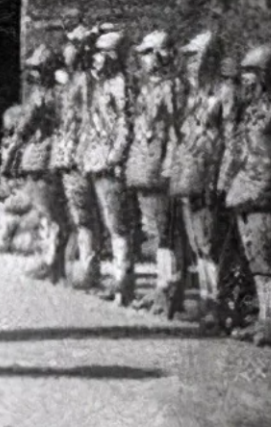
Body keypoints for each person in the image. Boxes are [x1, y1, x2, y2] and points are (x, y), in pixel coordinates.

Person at [217, 44, 271, 346]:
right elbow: (237, 149)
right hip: (244, 190)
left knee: (268, 259)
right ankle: (263, 317)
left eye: (251, 72)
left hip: (265, 191)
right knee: (255, 259)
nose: (246, 78)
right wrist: (225, 182)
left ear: (265, 74)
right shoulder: (249, 109)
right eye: (244, 73)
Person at [165, 30, 231, 331]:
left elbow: (230, 137)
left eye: (196, 56)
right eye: (189, 57)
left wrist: (221, 177)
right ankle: (206, 300)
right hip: (188, 174)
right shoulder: (193, 93)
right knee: (197, 243)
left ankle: (217, 304)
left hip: (209, 174)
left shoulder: (224, 91)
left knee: (209, 242)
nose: (191, 62)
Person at [127, 30, 186, 318]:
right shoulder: (147, 88)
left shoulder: (173, 87)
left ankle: (170, 289)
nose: (145, 60)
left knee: (166, 231)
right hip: (144, 164)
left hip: (161, 165)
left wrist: (170, 165)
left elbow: (176, 130)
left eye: (149, 53)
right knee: (155, 230)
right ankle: (161, 286)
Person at [78, 29, 135, 305]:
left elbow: (125, 125)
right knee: (105, 222)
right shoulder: (100, 83)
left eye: (101, 53)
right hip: (95, 160)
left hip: (110, 163)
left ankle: (123, 283)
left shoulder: (121, 84)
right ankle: (112, 278)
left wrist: (115, 157)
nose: (96, 58)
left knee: (117, 225)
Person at [5, 45, 69, 283]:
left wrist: (14, 145)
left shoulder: (42, 96)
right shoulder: (63, 93)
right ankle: (55, 261)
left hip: (43, 153)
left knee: (48, 212)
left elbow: (26, 125)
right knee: (55, 213)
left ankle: (51, 261)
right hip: (59, 152)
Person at [50, 25, 104, 290]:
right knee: (76, 213)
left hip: (79, 152)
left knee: (84, 214)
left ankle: (88, 268)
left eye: (74, 46)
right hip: (69, 152)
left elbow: (88, 117)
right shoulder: (71, 81)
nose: (67, 51)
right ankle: (77, 264)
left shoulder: (86, 81)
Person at [0, 104, 36, 254]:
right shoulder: (12, 147)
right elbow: (5, 173)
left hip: (27, 192)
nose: (9, 137)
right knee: (5, 213)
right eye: (8, 132)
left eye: (12, 131)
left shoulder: (28, 147)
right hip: (16, 192)